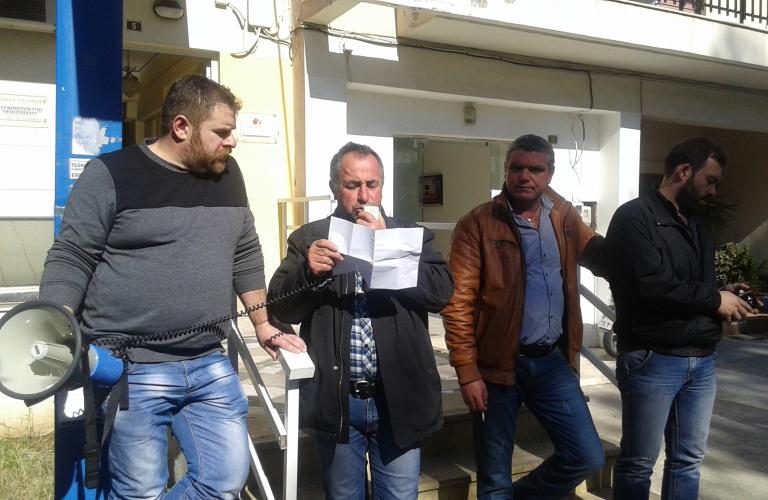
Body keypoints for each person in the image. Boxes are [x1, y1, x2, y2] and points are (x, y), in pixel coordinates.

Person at [39, 74, 306, 499]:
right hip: (132, 367)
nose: (233, 141)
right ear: (181, 127)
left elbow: (245, 251)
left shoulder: (228, 174)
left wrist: (262, 324)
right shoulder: (110, 174)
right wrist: (54, 322)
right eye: (222, 132)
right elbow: (73, 255)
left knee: (224, 481)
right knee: (140, 491)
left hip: (208, 361)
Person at [267, 142, 454, 499]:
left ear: (382, 185)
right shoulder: (310, 238)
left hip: (398, 399)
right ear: (335, 187)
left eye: (372, 184)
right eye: (352, 185)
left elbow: (441, 293)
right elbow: (281, 307)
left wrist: (391, 247)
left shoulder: (408, 233)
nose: (364, 196)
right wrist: (309, 272)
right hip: (339, 399)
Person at [443, 134, 607, 499]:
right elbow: (457, 303)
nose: (525, 176)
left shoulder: (563, 216)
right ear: (505, 170)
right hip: (497, 367)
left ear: (550, 173)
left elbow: (601, 257)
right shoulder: (478, 223)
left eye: (536, 169)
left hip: (550, 362)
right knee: (494, 478)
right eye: (517, 167)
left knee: (586, 456)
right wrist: (467, 371)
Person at [605, 137, 753, 500]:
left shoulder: (696, 221)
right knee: (639, 462)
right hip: (653, 358)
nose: (714, 191)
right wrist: (714, 299)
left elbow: (690, 283)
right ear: (685, 171)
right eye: (710, 180)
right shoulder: (634, 217)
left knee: (688, 461)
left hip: (701, 359)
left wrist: (723, 291)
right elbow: (652, 285)